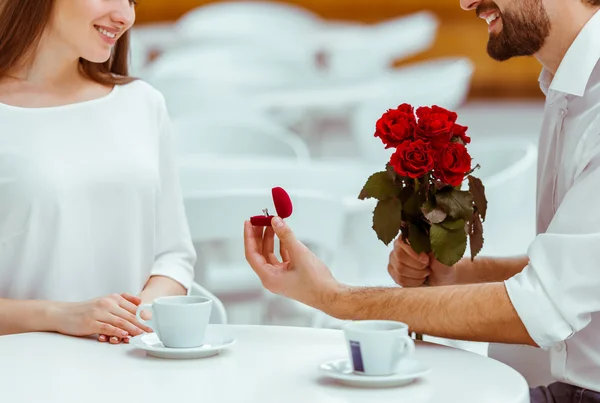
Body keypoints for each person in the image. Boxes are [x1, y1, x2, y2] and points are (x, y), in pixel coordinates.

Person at [244, 0, 600, 401]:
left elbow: (544, 306)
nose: (466, 2)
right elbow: (577, 272)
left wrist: (335, 298)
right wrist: (457, 275)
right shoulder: (570, 87)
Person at [0, 0, 197, 345]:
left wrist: (130, 320)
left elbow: (173, 257)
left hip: (128, 365)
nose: (126, 16)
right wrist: (60, 316)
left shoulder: (142, 103)